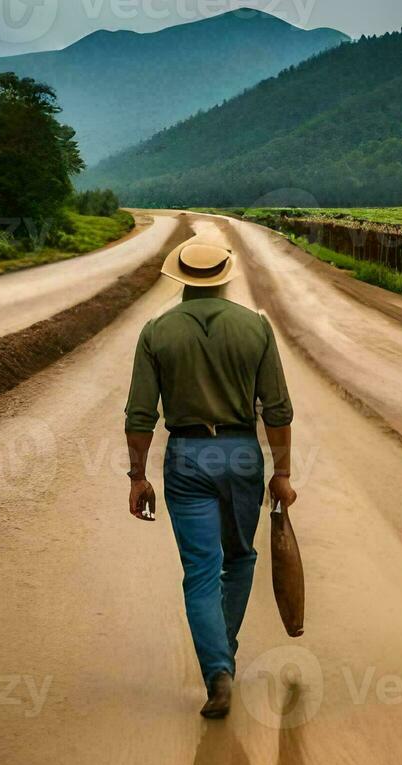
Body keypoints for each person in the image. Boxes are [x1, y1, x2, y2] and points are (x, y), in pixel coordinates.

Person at [124, 234, 297, 719]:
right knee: (239, 558)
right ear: (222, 278)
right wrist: (281, 472)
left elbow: (140, 416)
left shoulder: (156, 332)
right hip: (241, 454)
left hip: (186, 456)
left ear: (179, 276)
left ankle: (217, 671)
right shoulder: (255, 329)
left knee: (200, 570)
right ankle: (223, 654)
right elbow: (278, 410)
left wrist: (137, 477)